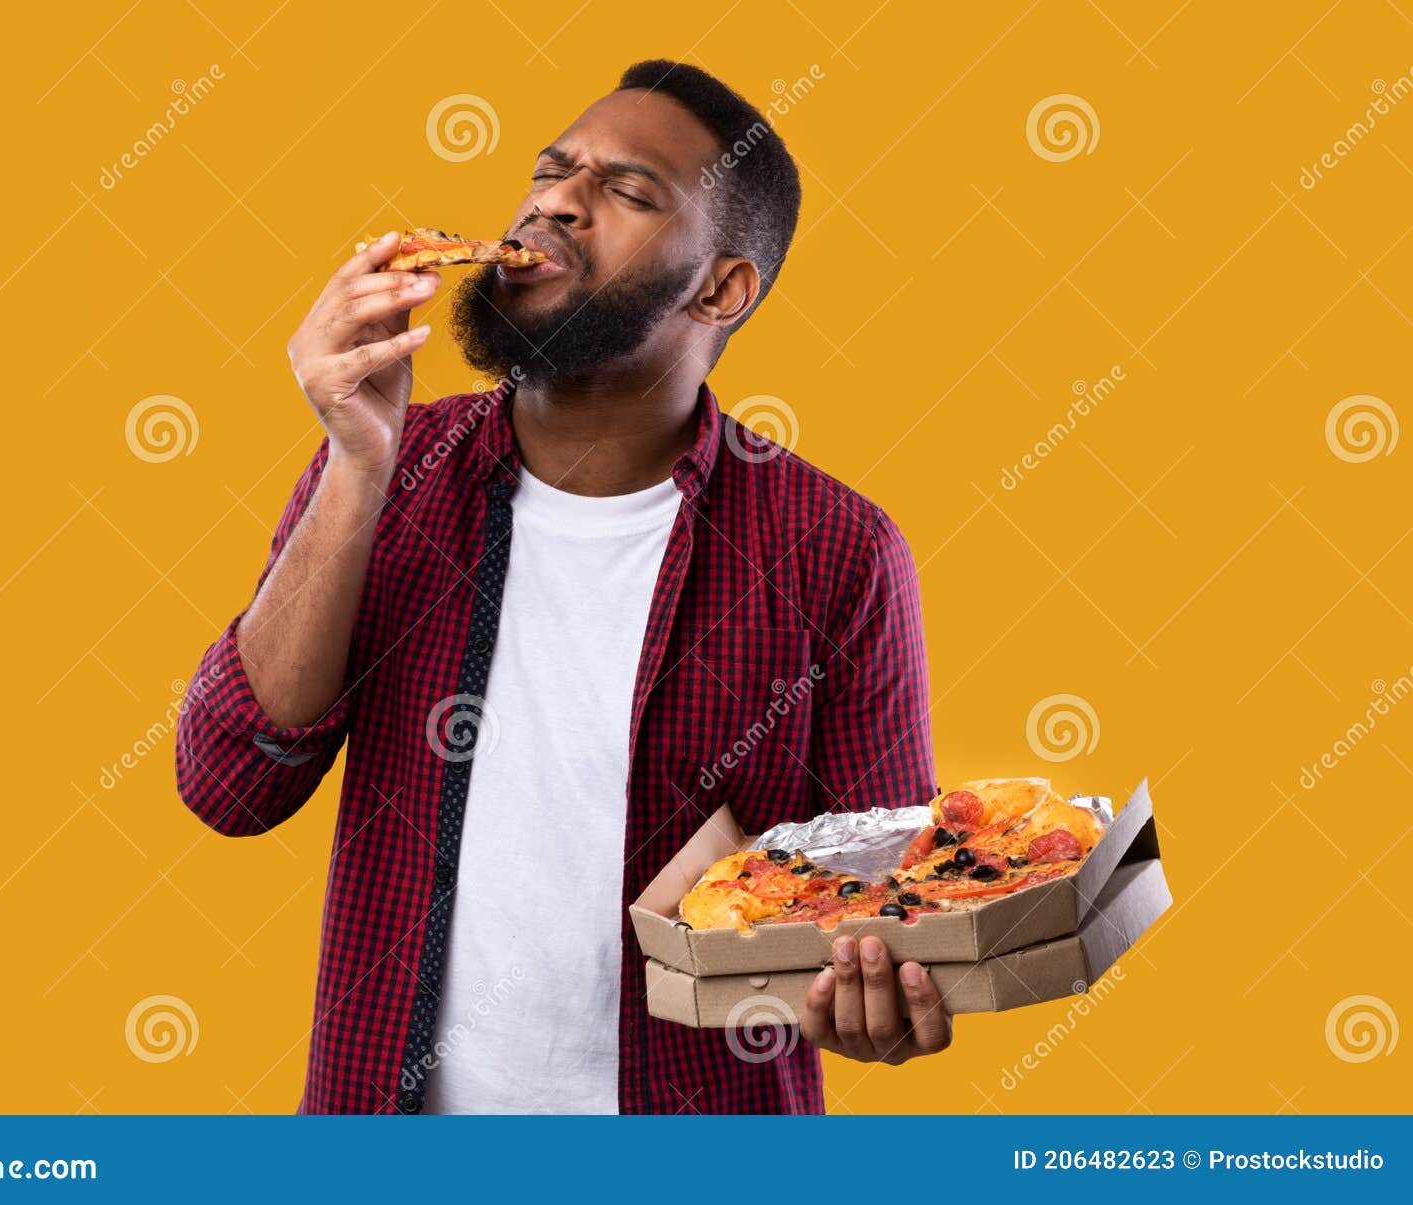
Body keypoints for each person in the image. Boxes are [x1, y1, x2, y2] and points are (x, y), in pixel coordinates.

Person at [175, 59, 948, 1115]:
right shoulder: (394, 466)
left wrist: (881, 991)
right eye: (550, 172)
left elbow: (891, 926)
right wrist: (357, 461)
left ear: (720, 287)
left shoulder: (834, 549)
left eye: (627, 193)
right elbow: (229, 786)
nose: (554, 203)